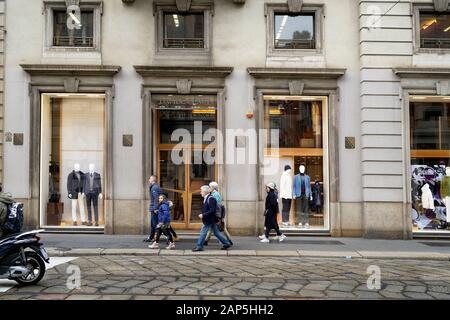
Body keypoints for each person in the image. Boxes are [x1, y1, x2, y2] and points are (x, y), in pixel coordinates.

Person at [192, 186, 231, 252]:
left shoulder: (211, 198)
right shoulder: (206, 198)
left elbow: (212, 210)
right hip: (210, 219)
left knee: (203, 232)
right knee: (216, 233)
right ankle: (226, 243)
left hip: (209, 219)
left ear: (205, 191)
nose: (200, 192)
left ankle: (199, 246)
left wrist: (203, 215)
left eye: (201, 191)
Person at [203, 181, 233, 247]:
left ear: (213, 188)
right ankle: (205, 241)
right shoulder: (214, 194)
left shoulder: (215, 195)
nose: (209, 188)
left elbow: (216, 206)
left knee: (222, 228)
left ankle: (229, 241)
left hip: (216, 214)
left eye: (210, 187)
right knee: (212, 228)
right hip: (216, 214)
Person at [144, 175, 161, 243]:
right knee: (153, 224)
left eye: (150, 178)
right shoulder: (154, 187)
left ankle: (155, 238)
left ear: (153, 180)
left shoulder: (154, 188)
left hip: (154, 209)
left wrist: (155, 208)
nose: (149, 180)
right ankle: (151, 237)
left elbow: (156, 199)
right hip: (154, 208)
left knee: (155, 224)